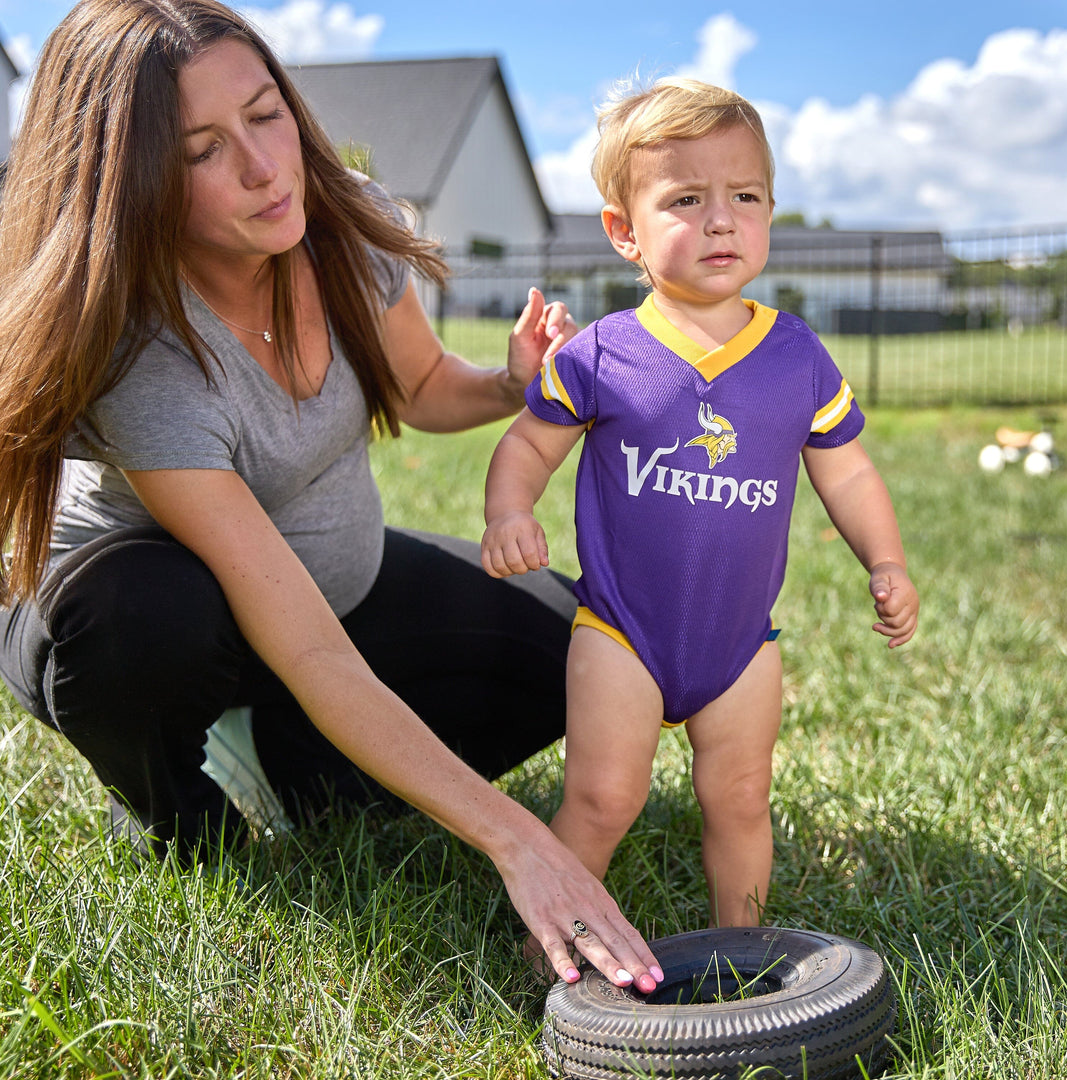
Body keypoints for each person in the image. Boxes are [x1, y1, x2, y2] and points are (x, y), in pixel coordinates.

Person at [0, 0, 664, 993]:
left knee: (581, 656)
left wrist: (510, 384)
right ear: (133, 183)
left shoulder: (344, 221)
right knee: (144, 619)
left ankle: (285, 764)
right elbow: (309, 649)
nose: (264, 167)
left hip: (333, 589)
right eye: (202, 151)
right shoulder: (145, 352)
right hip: (127, 625)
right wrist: (518, 841)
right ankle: (175, 809)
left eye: (266, 114)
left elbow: (419, 384)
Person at [481, 78, 919, 942]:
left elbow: (849, 474)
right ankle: (549, 949)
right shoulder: (604, 354)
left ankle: (742, 949)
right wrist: (508, 511)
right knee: (602, 797)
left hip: (740, 643)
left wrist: (887, 560)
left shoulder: (796, 356)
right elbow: (527, 445)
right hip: (622, 632)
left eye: (744, 197)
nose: (722, 221)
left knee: (742, 798)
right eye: (686, 199)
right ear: (624, 231)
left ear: (770, 212)